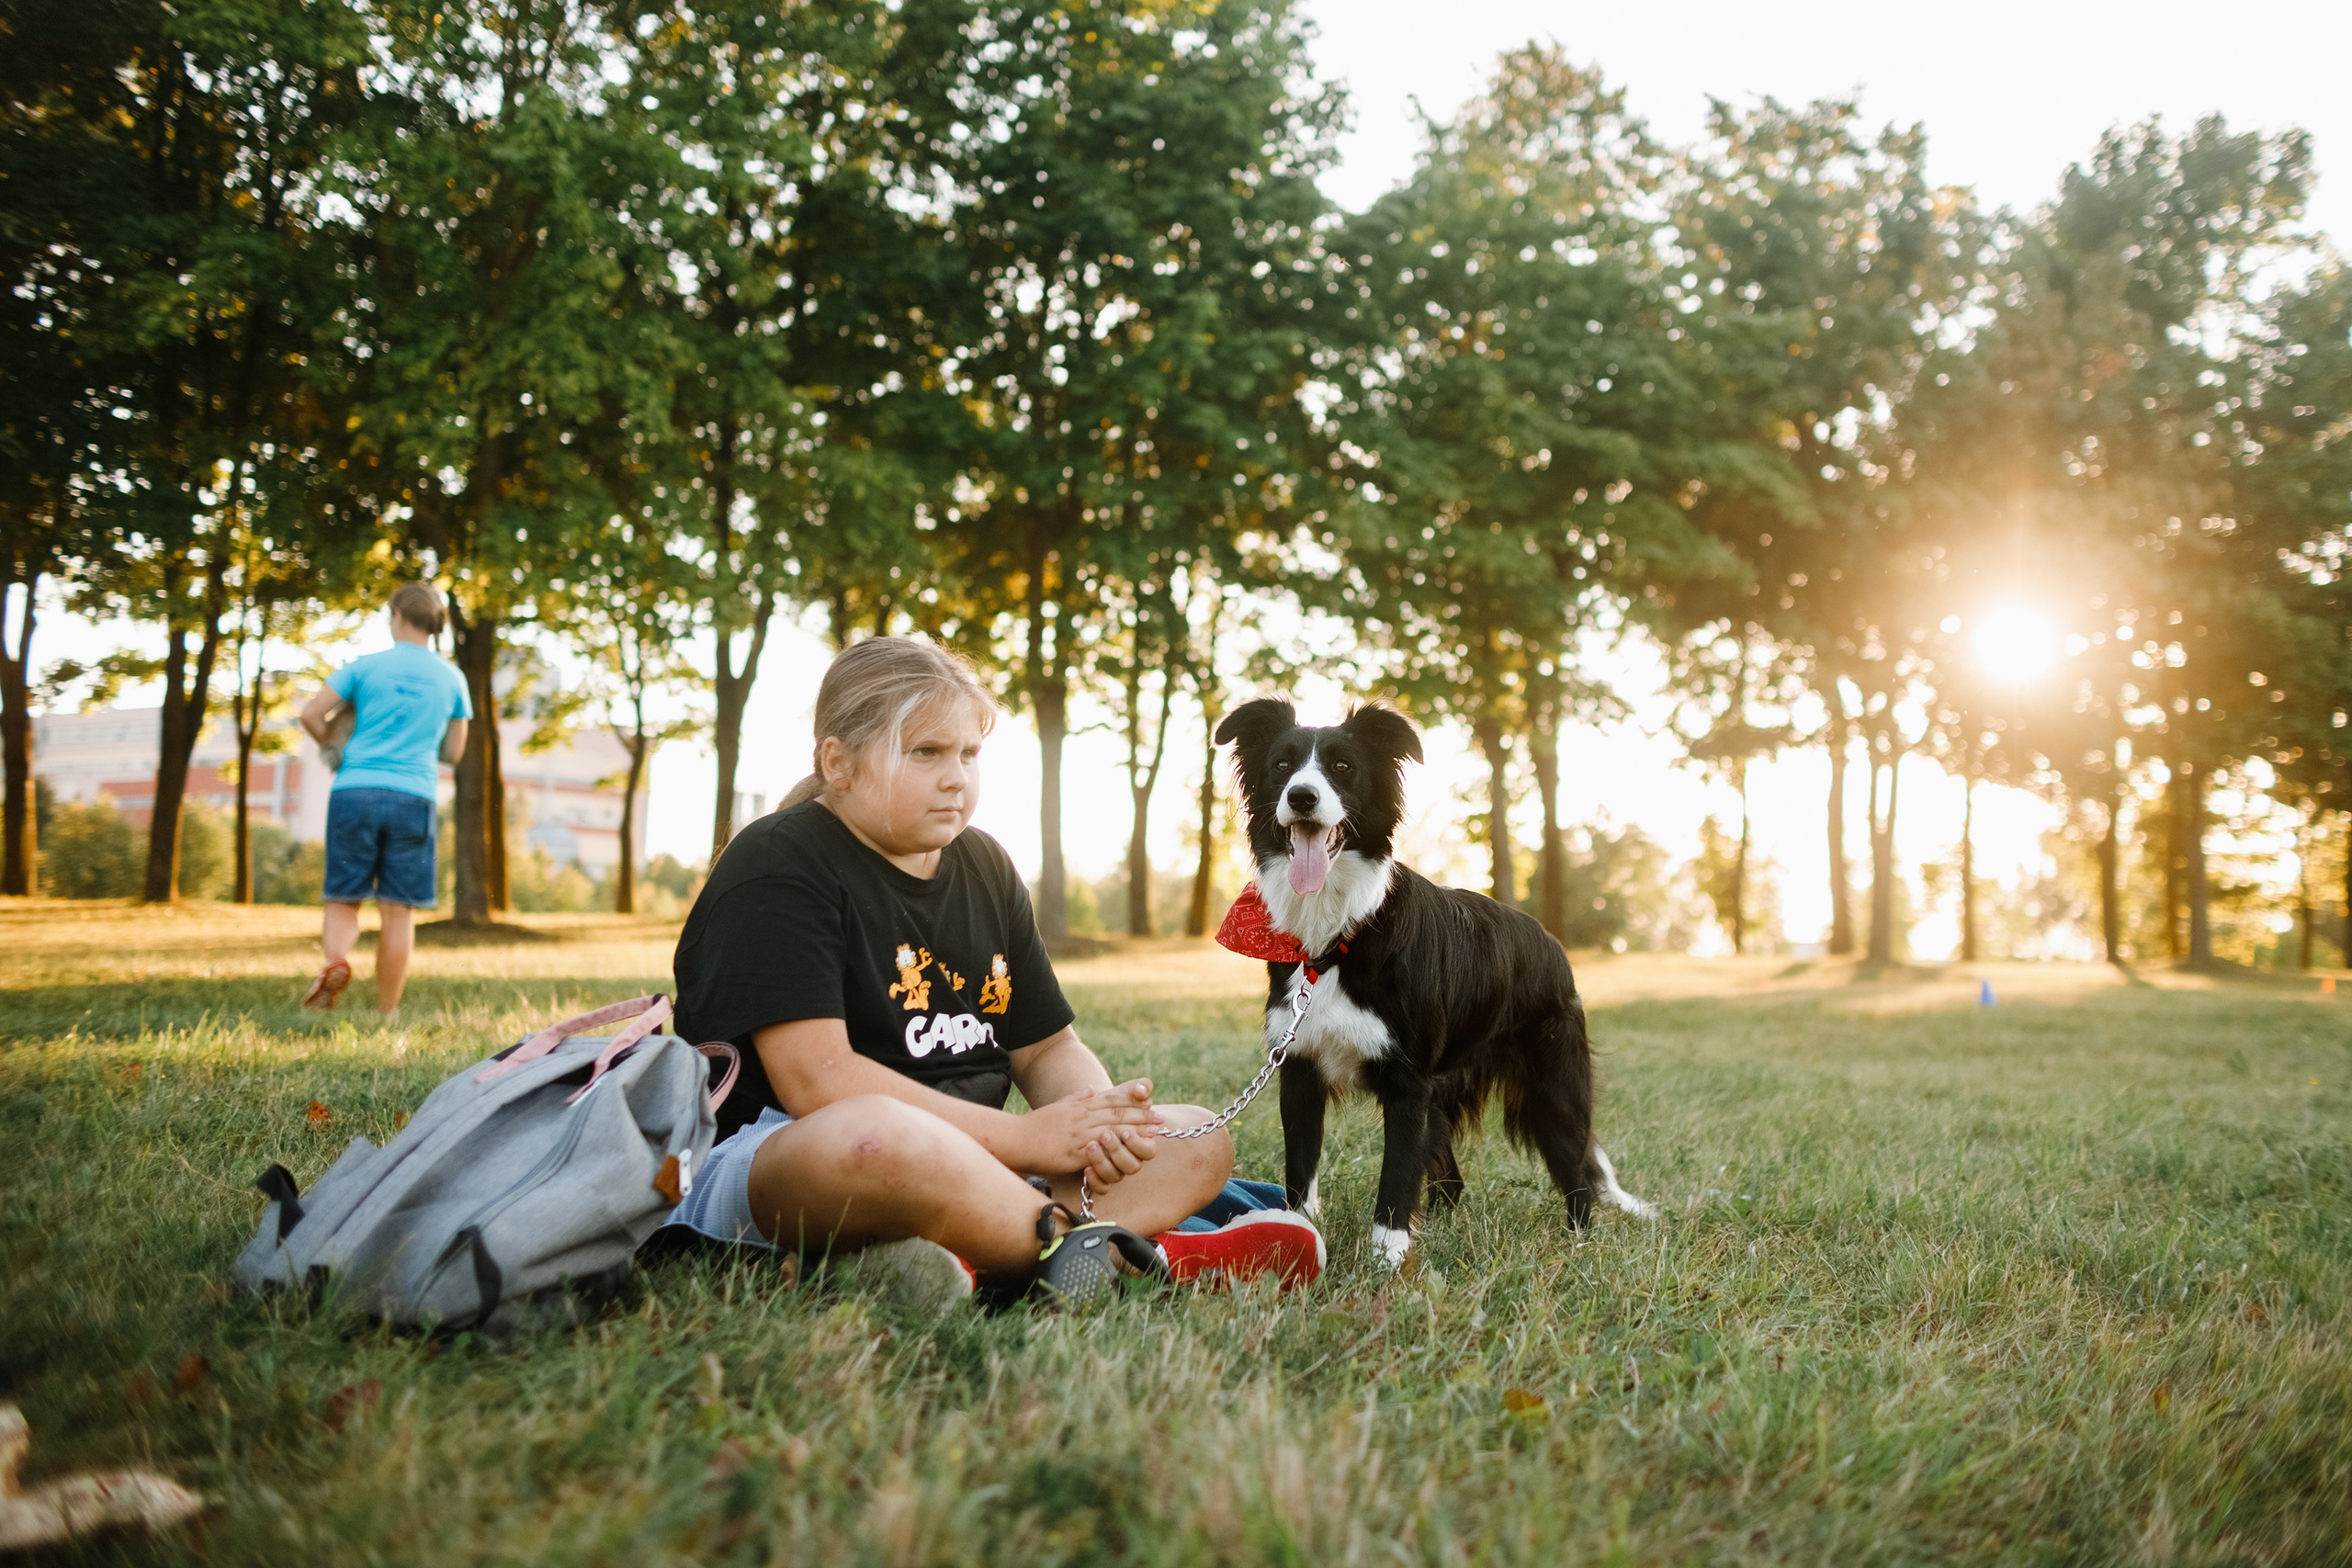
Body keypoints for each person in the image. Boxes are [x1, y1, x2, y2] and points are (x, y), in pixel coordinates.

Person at [662, 636, 1321, 1308]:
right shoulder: (779, 859)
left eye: (968, 754)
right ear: (840, 762)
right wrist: (1022, 1138)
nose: (957, 777)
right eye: (926, 753)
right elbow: (817, 1081)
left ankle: (966, 1252)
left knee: (1200, 1140)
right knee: (877, 1139)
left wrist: (1102, 1124)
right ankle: (1154, 1257)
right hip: (783, 1154)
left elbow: (1045, 1046)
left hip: (985, 1165)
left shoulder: (984, 864)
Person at [297, 583, 471, 1019]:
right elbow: (454, 752)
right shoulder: (451, 678)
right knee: (398, 912)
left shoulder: (365, 667)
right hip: (414, 796)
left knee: (343, 897)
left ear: (396, 616)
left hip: (354, 789)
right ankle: (386, 1012)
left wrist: (331, 747)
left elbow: (311, 714)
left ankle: (335, 959)